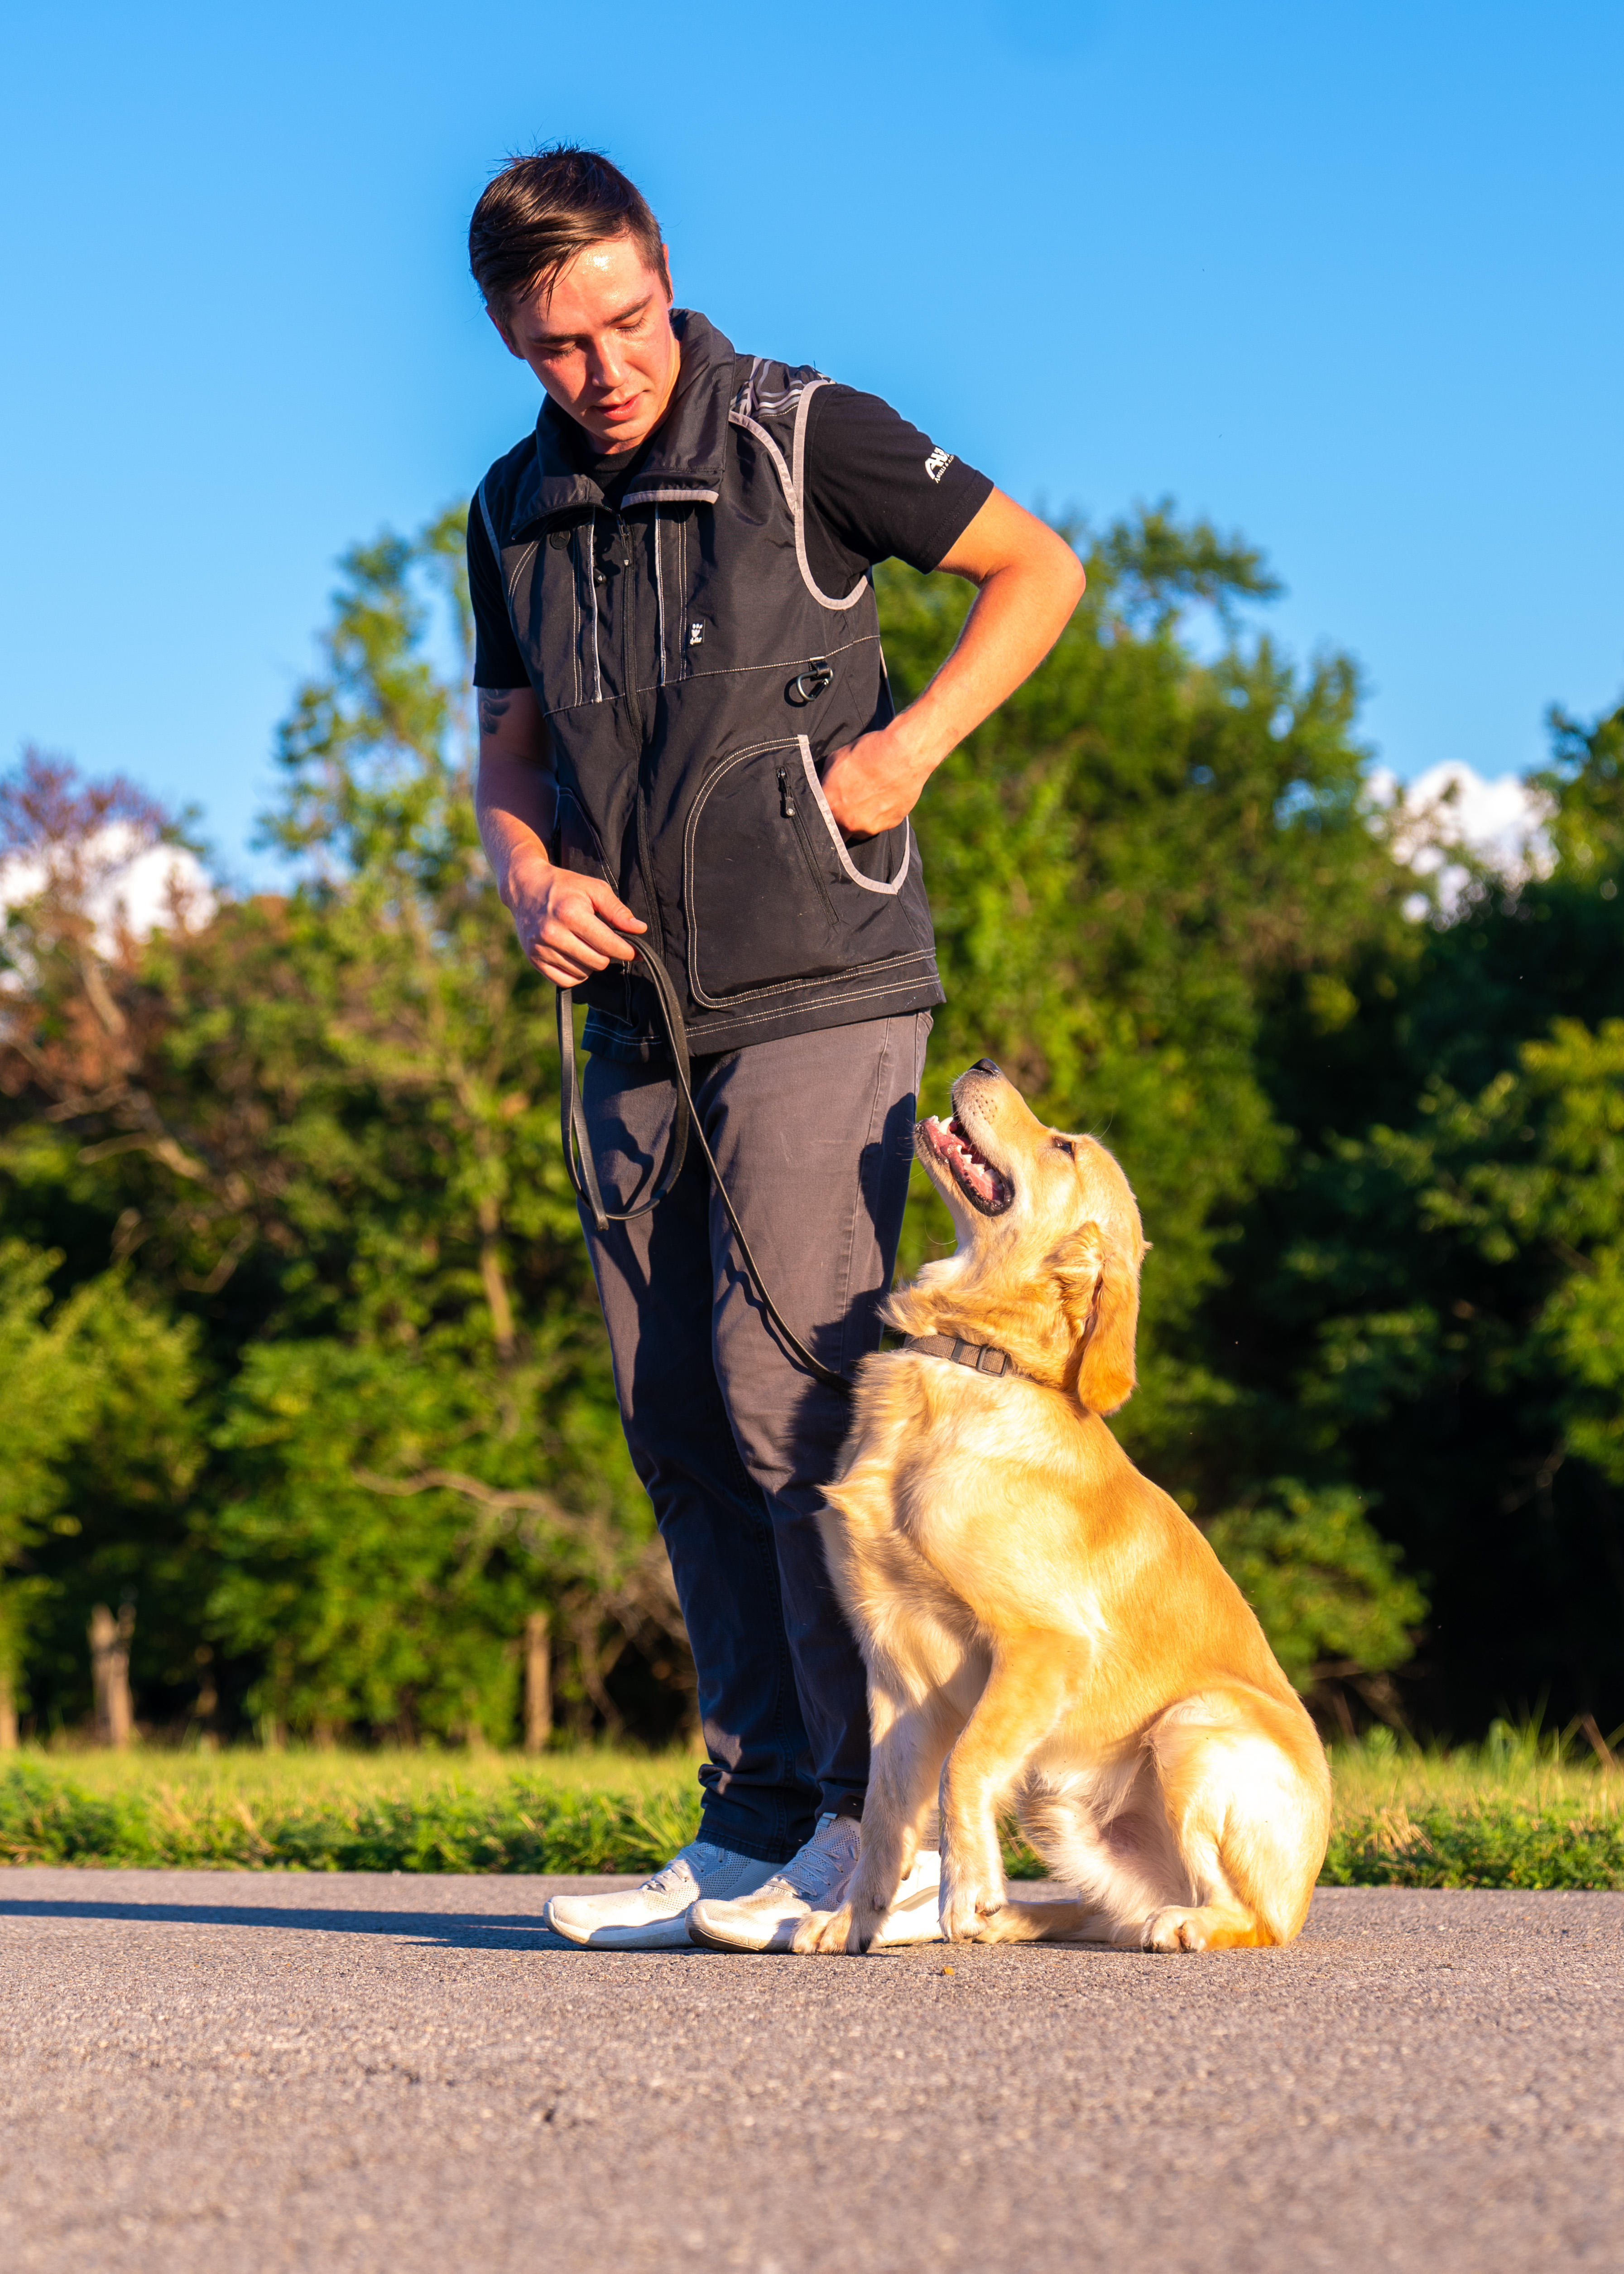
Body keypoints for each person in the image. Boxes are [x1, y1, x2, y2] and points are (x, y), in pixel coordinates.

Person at [467, 146, 1084, 1953]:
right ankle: (749, 1822)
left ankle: (865, 1815)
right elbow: (512, 753)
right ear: (509, 337)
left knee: (780, 1385)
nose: (608, 369)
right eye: (560, 345)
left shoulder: (808, 433)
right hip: (635, 1006)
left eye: (629, 321)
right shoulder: (508, 510)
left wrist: (900, 762)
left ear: (667, 277)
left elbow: (1035, 573)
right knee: (671, 1403)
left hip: (822, 976)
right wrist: (525, 880)